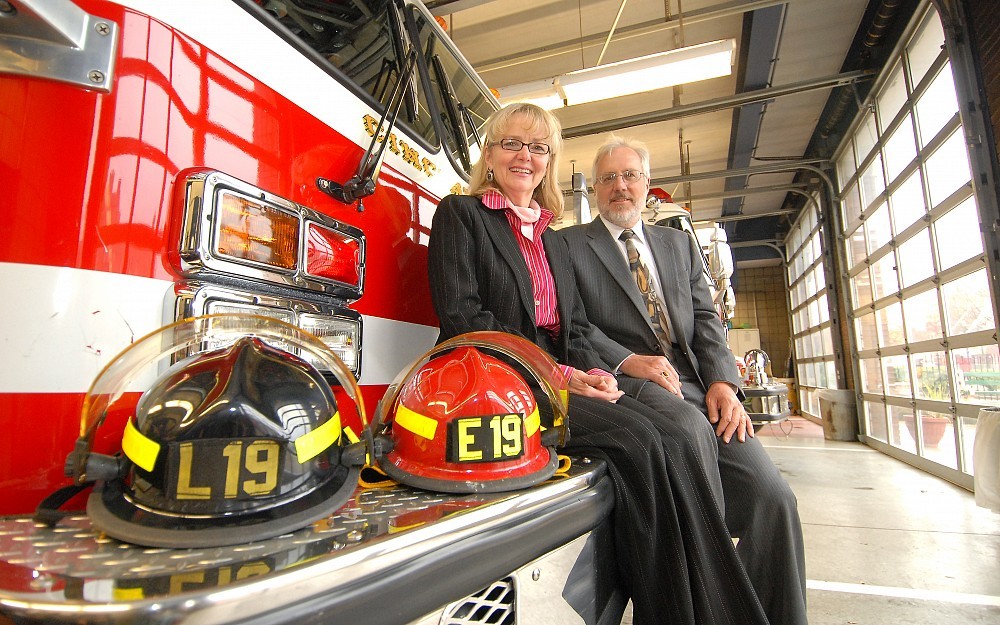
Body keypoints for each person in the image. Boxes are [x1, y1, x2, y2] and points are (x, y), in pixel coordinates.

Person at [428, 103, 769, 625]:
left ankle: (696, 606)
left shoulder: (548, 235)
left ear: (550, 161)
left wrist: (592, 372)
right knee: (642, 441)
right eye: (512, 144)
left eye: (539, 148)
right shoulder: (462, 215)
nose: (526, 156)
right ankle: (688, 608)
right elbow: (465, 319)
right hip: (500, 382)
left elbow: (578, 329)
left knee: (673, 435)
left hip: (561, 380)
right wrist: (559, 375)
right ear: (490, 154)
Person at [560, 134, 808, 625]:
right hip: (631, 385)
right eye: (608, 178)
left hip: (698, 389)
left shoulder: (677, 244)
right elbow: (573, 327)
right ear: (595, 188)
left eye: (630, 176)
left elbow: (706, 319)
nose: (619, 187)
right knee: (699, 482)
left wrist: (724, 383)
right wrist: (629, 360)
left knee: (774, 500)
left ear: (647, 183)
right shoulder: (568, 244)